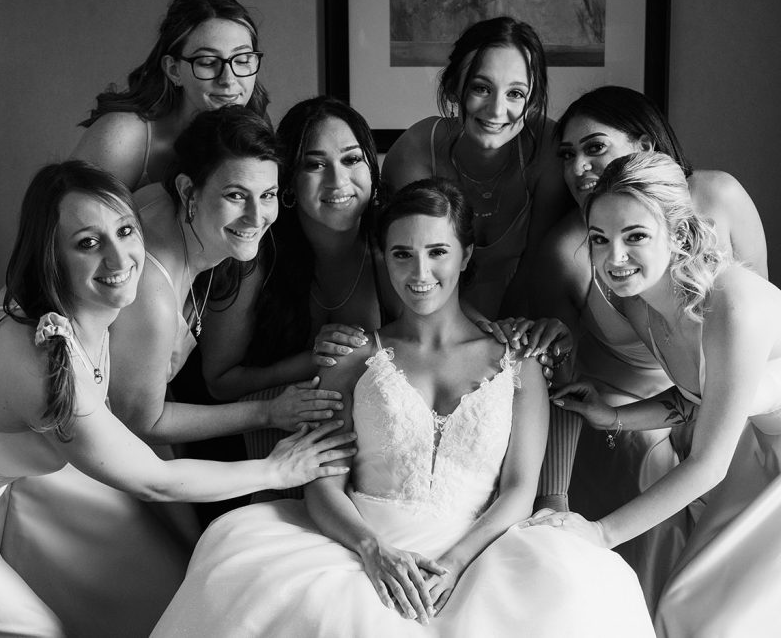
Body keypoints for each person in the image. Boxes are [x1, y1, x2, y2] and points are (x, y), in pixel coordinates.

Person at [151, 179, 655, 638]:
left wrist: (456, 564)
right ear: (383, 256)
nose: (419, 273)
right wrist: (374, 552)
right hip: (360, 544)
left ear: (465, 254)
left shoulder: (517, 362)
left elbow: (520, 490)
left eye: (437, 251)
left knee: (580, 593)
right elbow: (322, 482)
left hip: (482, 547)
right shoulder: (351, 357)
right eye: (401, 254)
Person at [0, 161, 354, 636]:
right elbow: (154, 480)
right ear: (51, 258)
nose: (120, 261)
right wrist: (278, 469)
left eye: (125, 231)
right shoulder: (43, 358)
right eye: (88, 243)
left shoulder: (100, 314)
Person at [525, 151, 781, 637]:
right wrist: (613, 416)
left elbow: (709, 463)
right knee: (685, 605)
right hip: (763, 449)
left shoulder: (733, 302)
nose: (615, 258)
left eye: (635, 237)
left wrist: (599, 532)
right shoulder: (640, 303)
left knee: (745, 623)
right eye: (599, 239)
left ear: (676, 232)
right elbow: (698, 397)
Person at [529, 85, 768, 606]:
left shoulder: (718, 198)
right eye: (567, 155)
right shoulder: (571, 252)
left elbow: (766, 334)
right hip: (639, 403)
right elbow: (552, 357)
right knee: (649, 458)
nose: (578, 167)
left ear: (644, 144)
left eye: (595, 147)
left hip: (740, 394)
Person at [192, 96, 394, 512]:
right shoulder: (252, 258)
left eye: (352, 159)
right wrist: (315, 358)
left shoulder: (393, 246)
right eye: (314, 164)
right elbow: (219, 380)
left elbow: (438, 336)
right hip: (265, 460)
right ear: (287, 183)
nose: (338, 181)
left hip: (377, 465)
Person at [381, 16, 572, 319]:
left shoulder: (548, 148)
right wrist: (479, 334)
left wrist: (504, 341)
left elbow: (538, 263)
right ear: (453, 88)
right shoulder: (415, 153)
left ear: (532, 101)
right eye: (482, 88)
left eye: (515, 94)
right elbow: (410, 272)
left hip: (522, 314)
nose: (497, 110)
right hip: (426, 315)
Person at [71, 0, 269, 191]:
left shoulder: (254, 131)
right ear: (173, 70)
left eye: (242, 60)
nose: (228, 79)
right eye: (208, 62)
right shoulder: (123, 137)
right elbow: (68, 217)